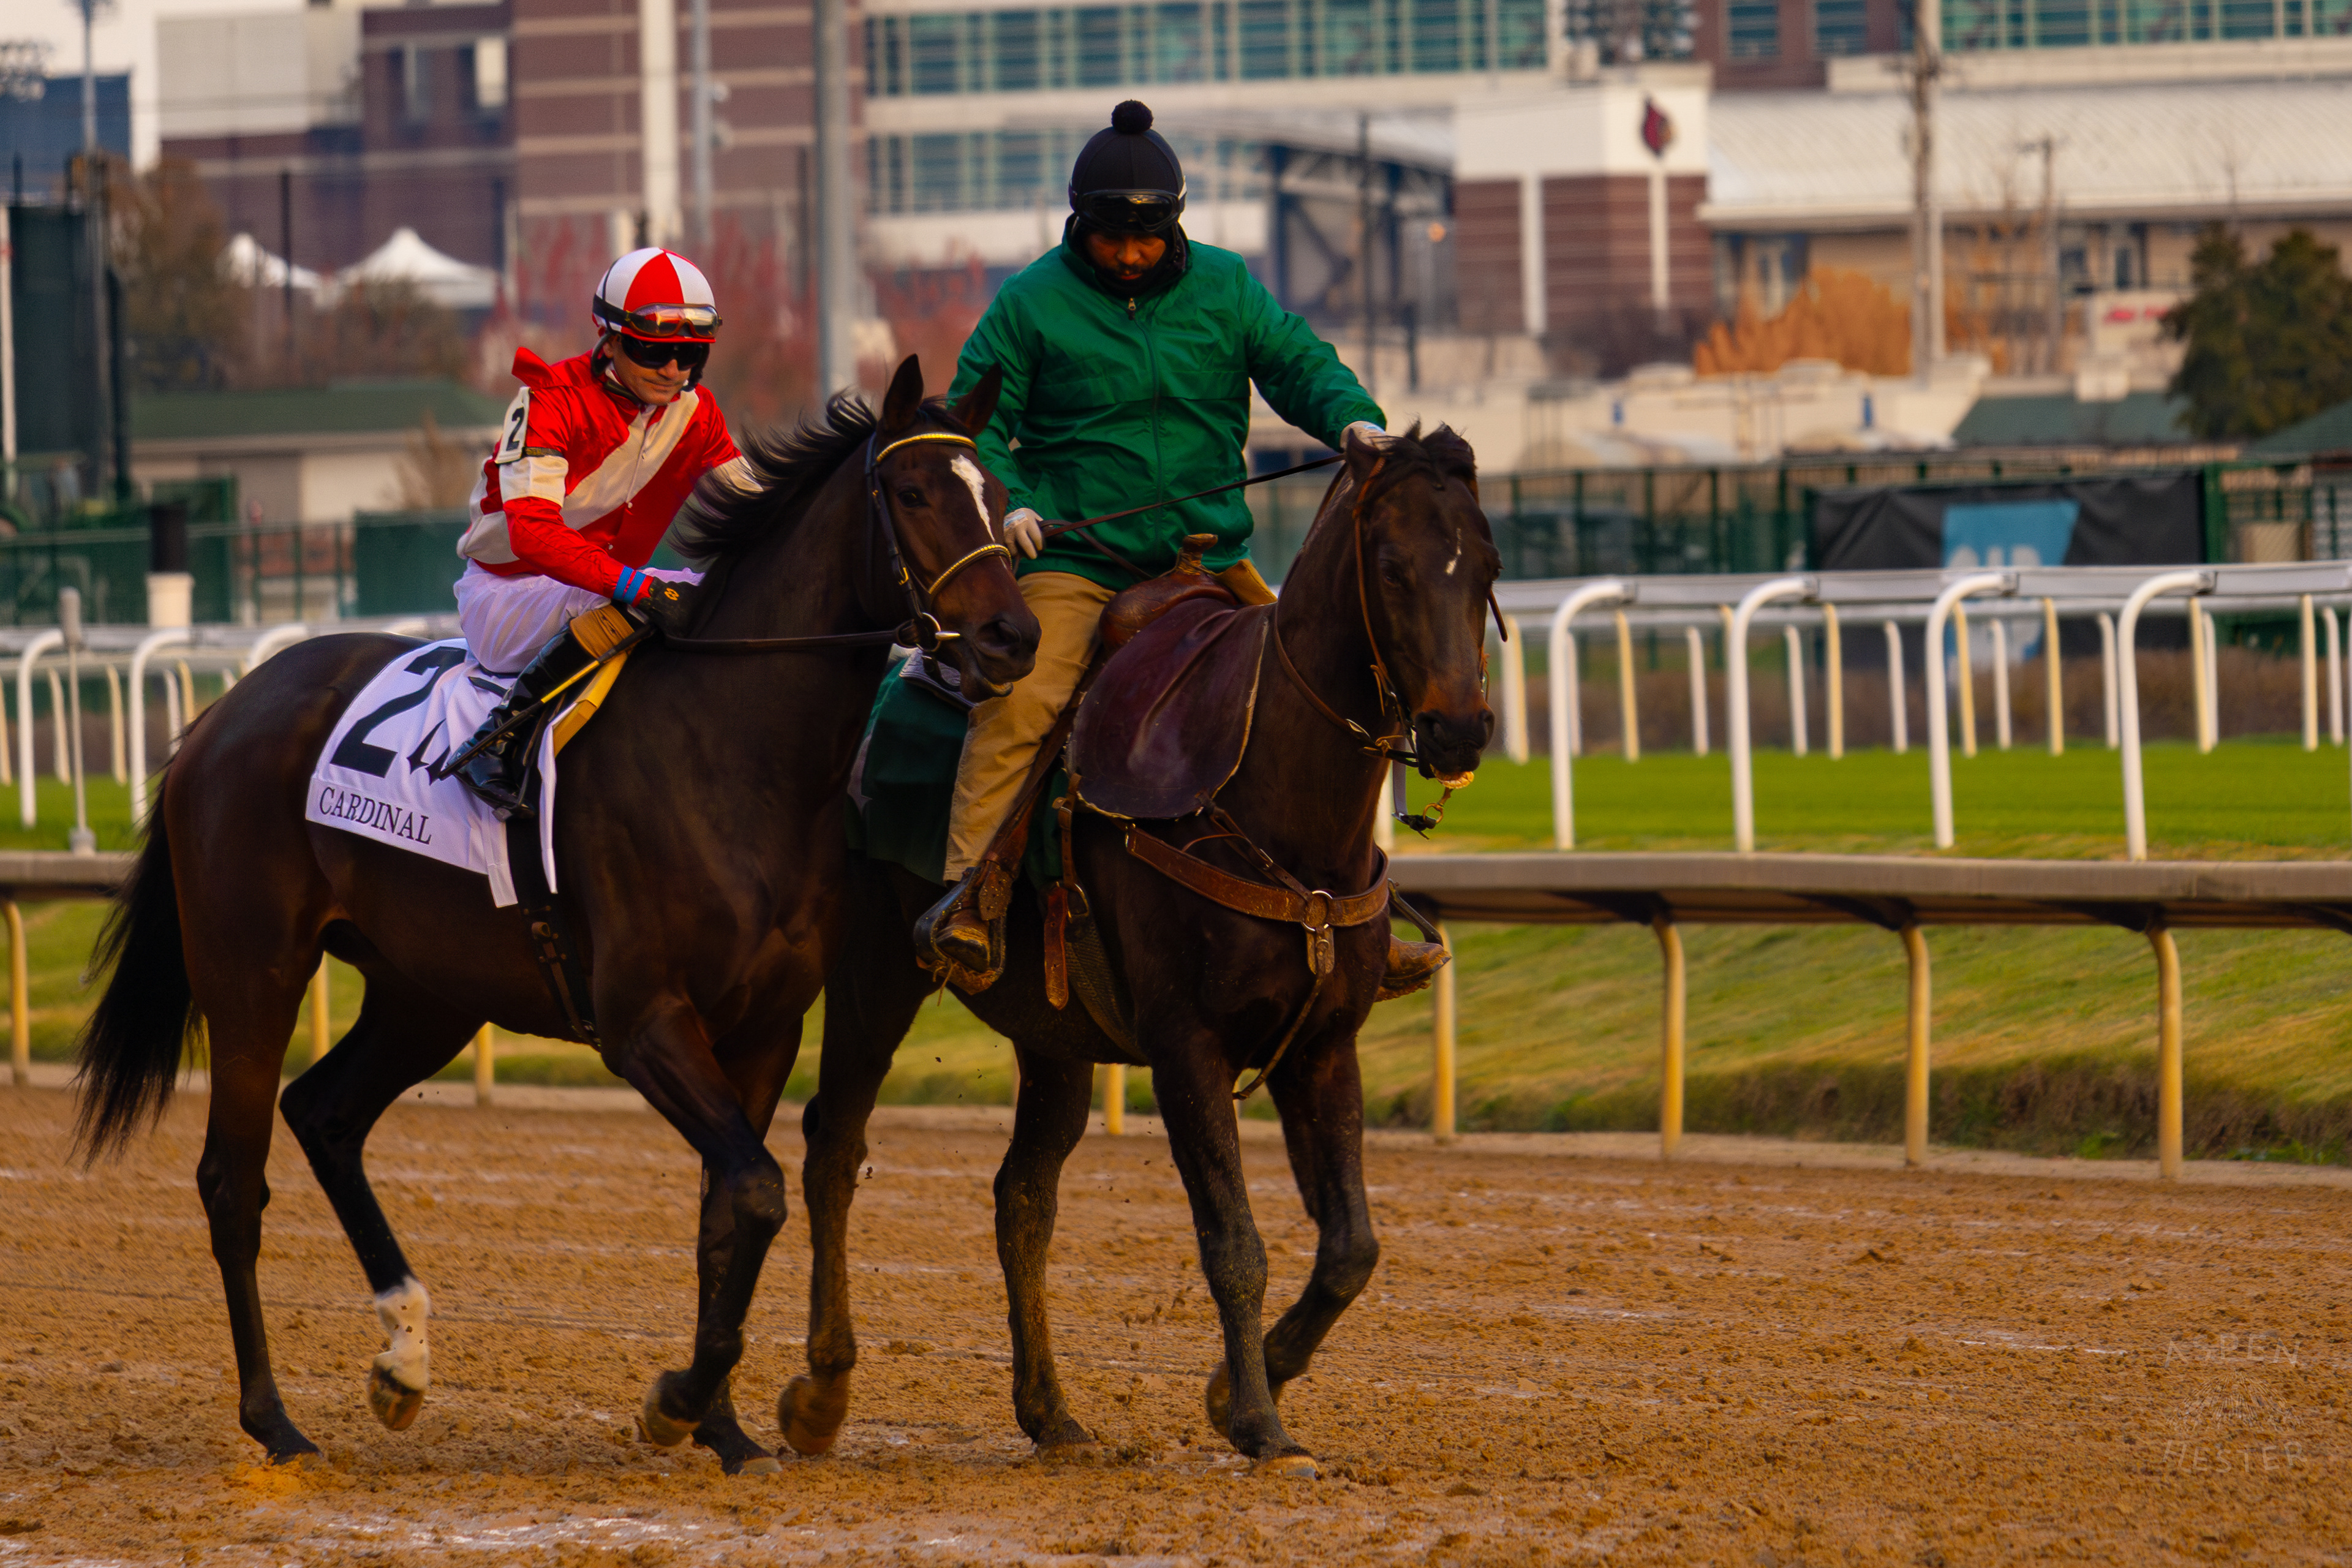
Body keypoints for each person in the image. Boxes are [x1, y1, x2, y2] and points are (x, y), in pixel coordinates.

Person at [915, 99, 1449, 998]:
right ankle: (970, 898)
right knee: (1019, 704)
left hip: (1207, 565)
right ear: (1080, 224)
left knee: (1335, 701)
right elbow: (980, 427)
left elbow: (1299, 365)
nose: (1130, 254)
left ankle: (1368, 912)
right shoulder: (1029, 302)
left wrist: (1355, 418)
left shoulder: (1229, 288)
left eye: (1147, 238)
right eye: (1112, 238)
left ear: (1176, 225)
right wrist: (1015, 505)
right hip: (1079, 567)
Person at [450, 246, 744, 816]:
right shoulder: (549, 400)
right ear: (608, 340)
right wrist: (634, 586)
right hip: (503, 595)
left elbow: (757, 505)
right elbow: (532, 533)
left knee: (711, 595)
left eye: (690, 352)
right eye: (654, 349)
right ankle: (498, 742)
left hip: (603, 593)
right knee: (627, 594)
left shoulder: (699, 412)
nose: (673, 369)